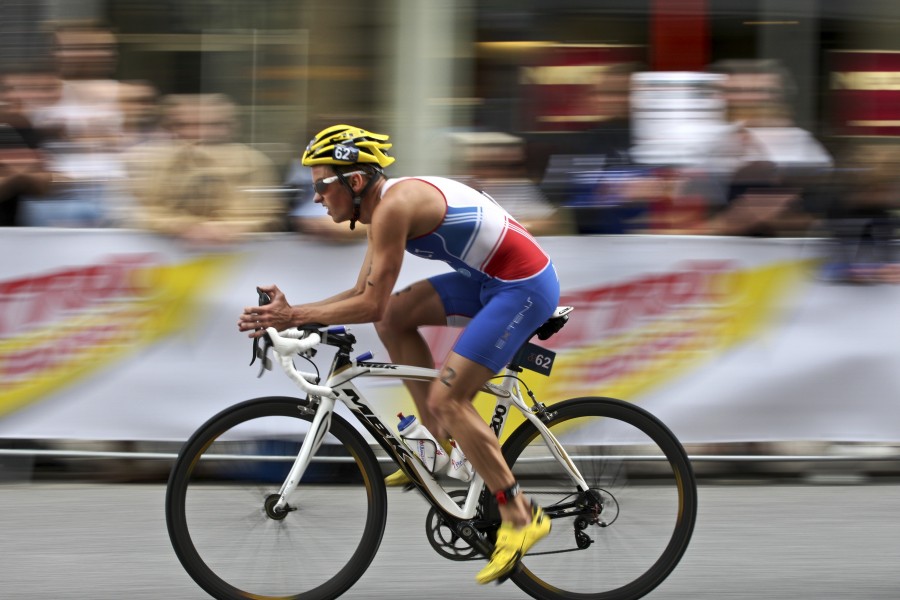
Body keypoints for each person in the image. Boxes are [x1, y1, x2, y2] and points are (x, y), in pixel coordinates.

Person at [237, 124, 557, 583]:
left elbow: (369, 303)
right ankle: (438, 444)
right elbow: (361, 294)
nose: (315, 198)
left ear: (355, 181)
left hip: (522, 288)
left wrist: (291, 317)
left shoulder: (393, 210)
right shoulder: (380, 208)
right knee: (396, 318)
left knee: (450, 397)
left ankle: (522, 516)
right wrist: (295, 315)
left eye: (322, 186)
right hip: (490, 280)